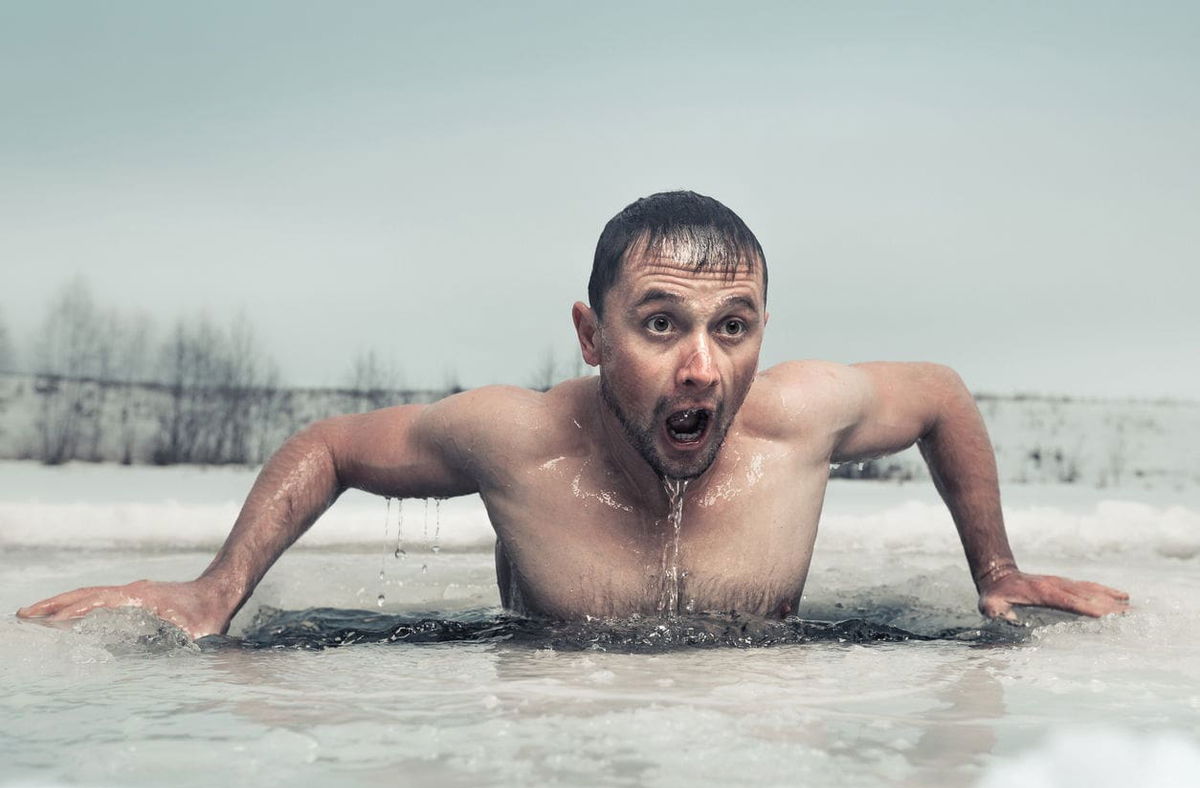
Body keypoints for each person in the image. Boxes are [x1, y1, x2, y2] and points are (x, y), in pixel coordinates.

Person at [17, 191, 1129, 639]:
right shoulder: (522, 440)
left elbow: (938, 391)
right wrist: (216, 593)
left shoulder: (798, 421)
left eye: (733, 327)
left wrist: (999, 567)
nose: (702, 365)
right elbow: (333, 447)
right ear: (593, 336)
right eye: (661, 324)